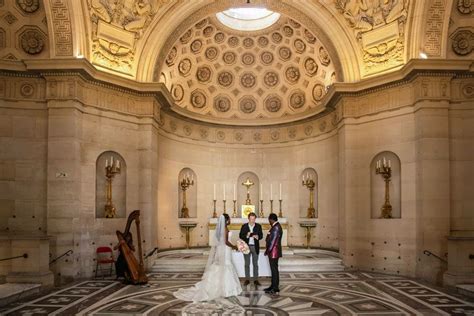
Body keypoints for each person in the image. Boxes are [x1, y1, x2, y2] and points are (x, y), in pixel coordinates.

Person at [173, 214, 242, 302]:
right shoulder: (225, 228)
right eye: (229, 219)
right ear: (227, 220)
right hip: (225, 249)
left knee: (222, 266)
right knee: (225, 266)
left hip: (221, 249)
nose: (230, 221)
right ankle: (226, 289)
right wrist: (234, 246)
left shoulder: (220, 229)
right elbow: (225, 241)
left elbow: (219, 240)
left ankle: (219, 287)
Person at [239, 212, 263, 287]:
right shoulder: (244, 226)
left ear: (255, 219)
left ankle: (256, 280)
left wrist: (257, 236)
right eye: (251, 219)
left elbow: (261, 236)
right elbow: (240, 235)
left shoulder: (258, 226)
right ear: (248, 219)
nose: (252, 220)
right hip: (246, 246)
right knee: (247, 264)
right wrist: (247, 235)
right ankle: (247, 279)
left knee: (255, 264)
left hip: (255, 247)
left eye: (253, 219)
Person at [264, 213, 283, 294]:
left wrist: (267, 250)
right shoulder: (276, 226)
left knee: (274, 270)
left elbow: (272, 241)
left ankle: (275, 288)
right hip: (273, 252)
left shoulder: (276, 227)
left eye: (269, 219)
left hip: (273, 252)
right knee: (273, 269)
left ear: (271, 219)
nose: (269, 221)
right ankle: (273, 286)